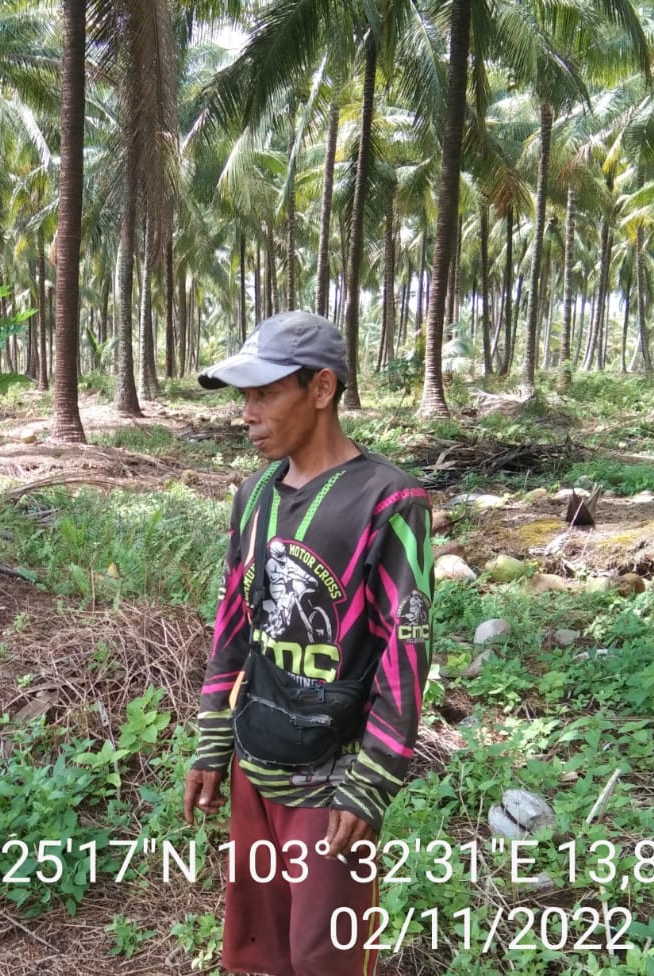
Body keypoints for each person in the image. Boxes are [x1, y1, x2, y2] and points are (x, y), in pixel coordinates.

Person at [181, 310, 433, 976]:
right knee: (259, 949)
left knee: (326, 958)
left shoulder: (388, 500)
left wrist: (372, 781)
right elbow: (233, 622)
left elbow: (405, 655)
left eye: (265, 394)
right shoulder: (254, 495)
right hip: (255, 767)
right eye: (244, 396)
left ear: (321, 390)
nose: (247, 413)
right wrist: (213, 741)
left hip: (332, 784)